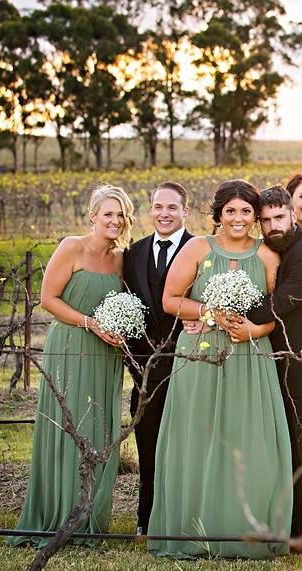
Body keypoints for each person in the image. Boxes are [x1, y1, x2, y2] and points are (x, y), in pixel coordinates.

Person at [147, 180, 292, 559]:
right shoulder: (197, 248)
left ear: (255, 216)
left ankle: (245, 529)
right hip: (199, 354)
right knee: (198, 436)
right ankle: (194, 528)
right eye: (231, 211)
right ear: (219, 214)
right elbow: (170, 300)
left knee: (246, 437)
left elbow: (279, 312)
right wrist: (210, 312)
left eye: (246, 211)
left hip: (250, 355)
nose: (239, 218)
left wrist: (254, 329)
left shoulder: (267, 255)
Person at [6, 185, 134, 547]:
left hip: (106, 353)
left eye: (121, 214)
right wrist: (91, 323)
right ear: (93, 215)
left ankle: (89, 514)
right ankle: (56, 512)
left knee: (98, 427)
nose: (114, 220)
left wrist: (119, 328)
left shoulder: (121, 258)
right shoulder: (71, 247)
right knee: (69, 425)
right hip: (70, 345)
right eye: (108, 213)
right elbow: (48, 299)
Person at [249, 185, 302, 538]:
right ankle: (289, 521)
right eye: (266, 220)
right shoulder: (272, 249)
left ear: (293, 214)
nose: (273, 226)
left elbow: (277, 305)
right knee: (288, 448)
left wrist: (218, 309)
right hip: (277, 365)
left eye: (279, 217)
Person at [122, 181, 193, 536]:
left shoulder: (199, 250)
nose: (164, 214)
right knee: (147, 447)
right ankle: (146, 519)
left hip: (189, 365)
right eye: (158, 207)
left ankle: (182, 516)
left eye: (172, 208)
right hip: (144, 370)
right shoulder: (132, 254)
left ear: (185, 211)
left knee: (185, 448)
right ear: (150, 210)